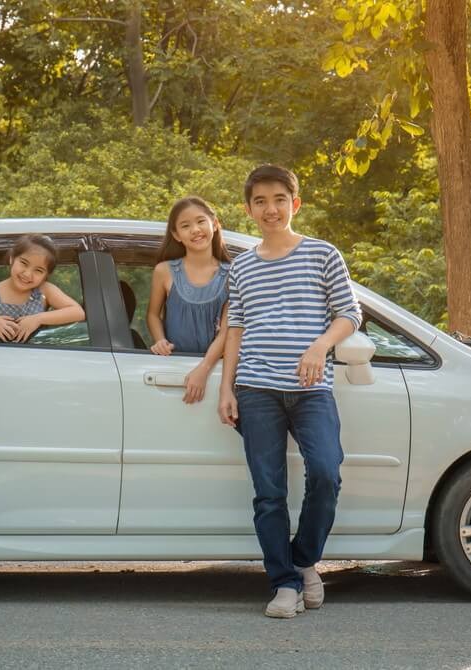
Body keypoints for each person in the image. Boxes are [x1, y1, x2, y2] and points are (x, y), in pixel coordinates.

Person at [217, 165, 362, 619]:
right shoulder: (241, 266)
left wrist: (320, 345)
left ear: (294, 204)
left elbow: (350, 314)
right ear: (248, 209)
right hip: (256, 389)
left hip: (310, 389)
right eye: (259, 201)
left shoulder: (322, 255)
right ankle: (283, 583)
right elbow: (234, 331)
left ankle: (303, 560)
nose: (270, 208)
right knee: (269, 492)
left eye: (279, 199)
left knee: (326, 473)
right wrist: (227, 388)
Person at [146, 196, 232, 404]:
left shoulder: (232, 275)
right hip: (171, 368)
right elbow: (152, 315)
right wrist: (159, 340)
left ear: (215, 223)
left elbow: (228, 332)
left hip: (214, 369)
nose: (195, 229)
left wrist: (204, 369)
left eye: (201, 221)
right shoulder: (164, 271)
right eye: (186, 226)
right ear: (176, 235)